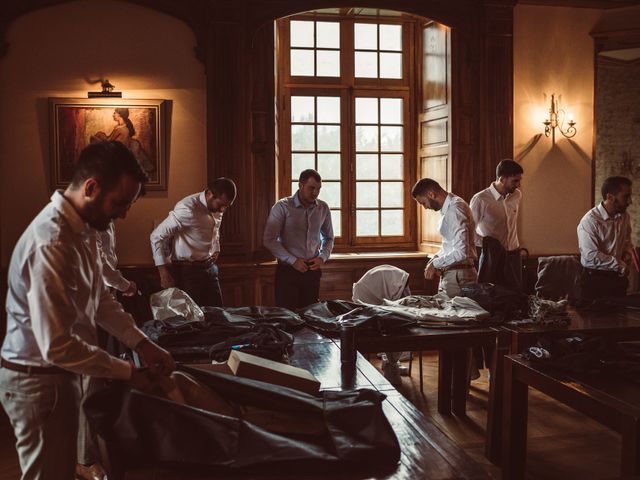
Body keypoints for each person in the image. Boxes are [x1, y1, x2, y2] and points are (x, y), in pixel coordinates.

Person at [0, 141, 175, 480]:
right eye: (119, 203)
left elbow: (100, 299)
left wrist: (142, 343)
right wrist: (127, 372)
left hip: (57, 375)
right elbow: (56, 345)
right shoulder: (52, 242)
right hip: (37, 380)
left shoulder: (83, 231)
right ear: (91, 187)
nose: (123, 214)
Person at [150, 178, 237, 307]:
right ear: (209, 194)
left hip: (210, 268)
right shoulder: (187, 208)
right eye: (221, 205)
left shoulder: (217, 208)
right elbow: (156, 236)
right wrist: (163, 272)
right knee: (192, 322)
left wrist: (216, 247)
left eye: (226, 206)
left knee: (218, 315)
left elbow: (214, 228)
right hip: (188, 273)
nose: (223, 210)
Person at [264, 169, 334, 310]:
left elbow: (329, 238)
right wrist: (293, 261)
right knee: (287, 319)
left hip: (312, 272)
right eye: (311, 188)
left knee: (311, 317)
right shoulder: (282, 207)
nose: (315, 193)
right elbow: (269, 239)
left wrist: (322, 258)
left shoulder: (323, 208)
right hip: (288, 272)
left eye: (318, 189)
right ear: (300, 185)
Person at [411, 178, 477, 297]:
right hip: (453, 275)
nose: (425, 207)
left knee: (456, 315)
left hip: (458, 277)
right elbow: (450, 245)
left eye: (423, 203)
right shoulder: (448, 208)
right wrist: (437, 256)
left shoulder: (455, 209)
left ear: (431, 194)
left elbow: (461, 253)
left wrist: (435, 264)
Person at [470, 159, 524, 290]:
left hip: (514, 255)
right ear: (502, 179)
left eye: (519, 180)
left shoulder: (517, 195)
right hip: (492, 258)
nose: (519, 185)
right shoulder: (480, 199)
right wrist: (486, 243)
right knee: (492, 296)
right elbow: (469, 230)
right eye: (515, 181)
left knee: (516, 297)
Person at [577, 176, 634, 300]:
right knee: (594, 319)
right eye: (626, 196)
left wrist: (627, 253)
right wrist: (619, 264)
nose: (630, 201)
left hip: (618, 280)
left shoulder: (625, 217)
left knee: (622, 319)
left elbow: (626, 242)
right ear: (610, 197)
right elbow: (590, 255)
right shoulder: (590, 221)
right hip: (595, 282)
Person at [92, 108, 155, 175]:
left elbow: (111, 142)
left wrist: (99, 137)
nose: (113, 115)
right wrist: (102, 135)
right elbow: (110, 139)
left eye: (114, 113)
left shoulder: (122, 129)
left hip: (120, 155)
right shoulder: (119, 127)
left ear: (120, 114)